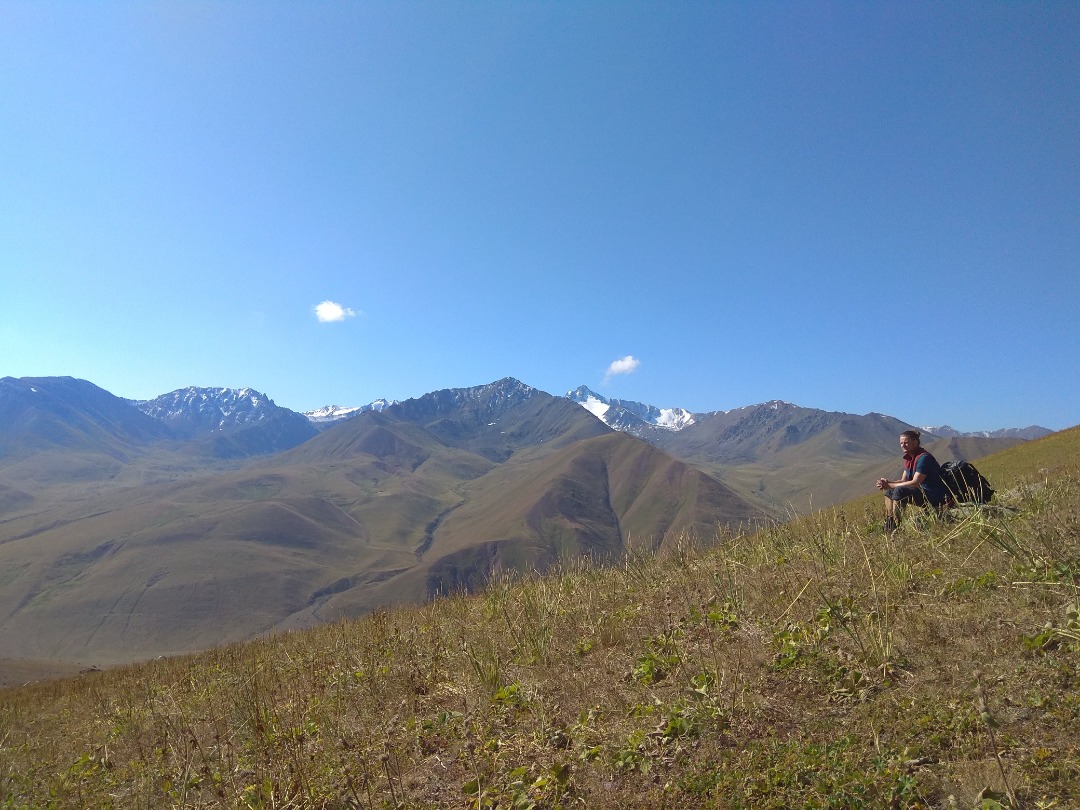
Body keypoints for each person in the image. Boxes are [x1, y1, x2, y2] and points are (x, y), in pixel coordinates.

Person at [876, 429, 949, 531]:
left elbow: (916, 483)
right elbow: (903, 480)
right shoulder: (909, 459)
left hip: (933, 495)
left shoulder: (924, 458)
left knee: (899, 490)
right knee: (889, 491)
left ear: (915, 442)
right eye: (901, 443)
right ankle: (890, 521)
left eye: (906, 442)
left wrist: (892, 485)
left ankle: (897, 523)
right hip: (922, 492)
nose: (903, 445)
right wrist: (887, 483)